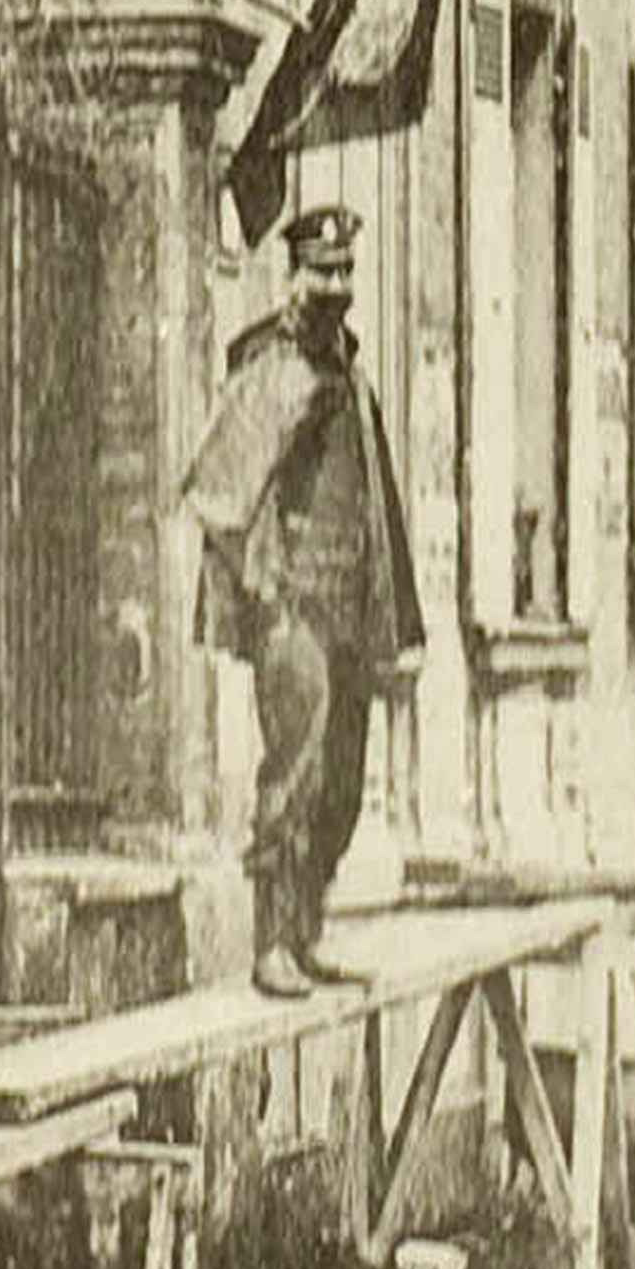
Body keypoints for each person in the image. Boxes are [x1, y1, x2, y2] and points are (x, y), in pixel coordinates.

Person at [182, 207, 425, 998]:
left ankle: (309, 928)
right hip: (292, 609)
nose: (337, 288)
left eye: (347, 273)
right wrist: (264, 596)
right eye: (323, 273)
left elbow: (375, 499)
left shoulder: (349, 372)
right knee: (294, 771)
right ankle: (269, 944)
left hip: (350, 608)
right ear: (293, 279)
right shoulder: (270, 363)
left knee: (344, 783)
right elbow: (224, 492)